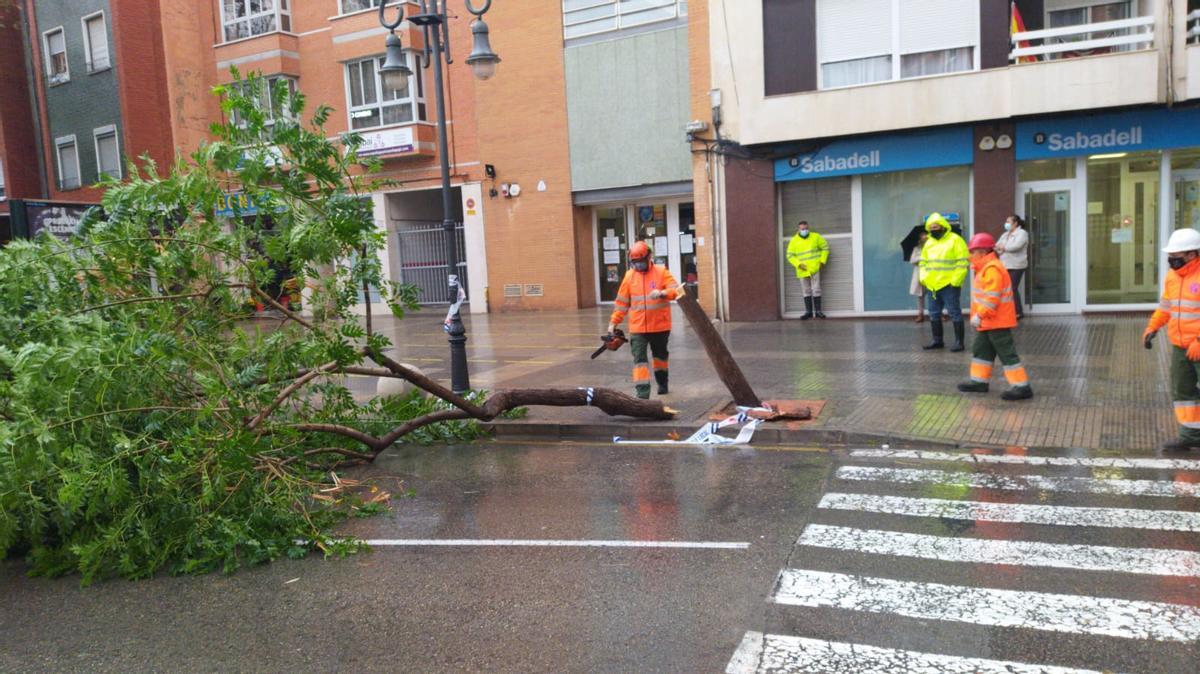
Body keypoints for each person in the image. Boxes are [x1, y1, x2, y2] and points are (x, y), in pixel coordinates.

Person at [1143, 227, 1200, 452]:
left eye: (1176, 256)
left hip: (1197, 343)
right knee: (1183, 391)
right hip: (1180, 346)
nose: (1172, 260)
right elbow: (1166, 308)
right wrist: (1152, 327)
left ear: (1193, 254)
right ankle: (1190, 435)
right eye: (1171, 256)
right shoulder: (1172, 277)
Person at [956, 233, 1033, 401]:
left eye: (973, 252)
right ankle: (979, 382)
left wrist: (980, 315)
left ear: (983, 252)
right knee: (981, 351)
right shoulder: (986, 268)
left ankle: (1022, 386)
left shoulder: (992, 269)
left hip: (996, 321)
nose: (970, 256)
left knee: (1007, 353)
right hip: (988, 322)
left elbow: (992, 297)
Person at [609, 241, 682, 399]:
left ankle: (662, 383)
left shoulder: (661, 272)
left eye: (641, 261)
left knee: (660, 357)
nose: (639, 265)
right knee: (639, 360)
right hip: (638, 328)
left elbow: (676, 291)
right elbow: (621, 303)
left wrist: (662, 293)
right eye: (635, 262)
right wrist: (613, 323)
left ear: (649, 257)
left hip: (660, 326)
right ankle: (642, 393)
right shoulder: (629, 276)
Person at [919, 213, 970, 351]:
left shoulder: (955, 240)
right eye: (931, 227)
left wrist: (955, 281)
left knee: (954, 312)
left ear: (943, 226)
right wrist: (923, 277)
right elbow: (923, 262)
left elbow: (963, 261)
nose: (933, 229)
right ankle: (937, 341)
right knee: (934, 313)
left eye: (935, 226)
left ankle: (959, 342)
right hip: (932, 285)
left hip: (949, 285)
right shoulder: (929, 243)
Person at [786, 220, 830, 320]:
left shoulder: (816, 236)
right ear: (798, 229)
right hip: (802, 269)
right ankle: (809, 312)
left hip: (815, 268)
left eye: (806, 228)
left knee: (816, 289)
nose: (804, 230)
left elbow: (825, 248)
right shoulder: (794, 241)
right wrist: (798, 264)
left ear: (808, 228)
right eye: (802, 229)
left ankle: (818, 311)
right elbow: (789, 255)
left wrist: (822, 261)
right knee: (806, 291)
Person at [995, 214, 1029, 319]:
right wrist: (1002, 248)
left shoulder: (1022, 233)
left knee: (1012, 288)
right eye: (1006, 221)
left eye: (1009, 222)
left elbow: (1016, 247)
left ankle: (1018, 312)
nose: (1006, 224)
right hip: (1005, 264)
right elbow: (996, 246)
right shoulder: (1005, 234)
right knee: (1006, 288)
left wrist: (1003, 248)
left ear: (1015, 223)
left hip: (1017, 265)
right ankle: (1009, 311)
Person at [909, 231, 927, 322]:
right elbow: (912, 260)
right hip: (920, 274)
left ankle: (938, 313)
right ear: (920, 239)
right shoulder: (916, 249)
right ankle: (920, 314)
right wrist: (922, 258)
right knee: (920, 295)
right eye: (923, 237)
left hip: (931, 274)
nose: (925, 239)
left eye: (926, 237)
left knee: (935, 295)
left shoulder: (933, 248)